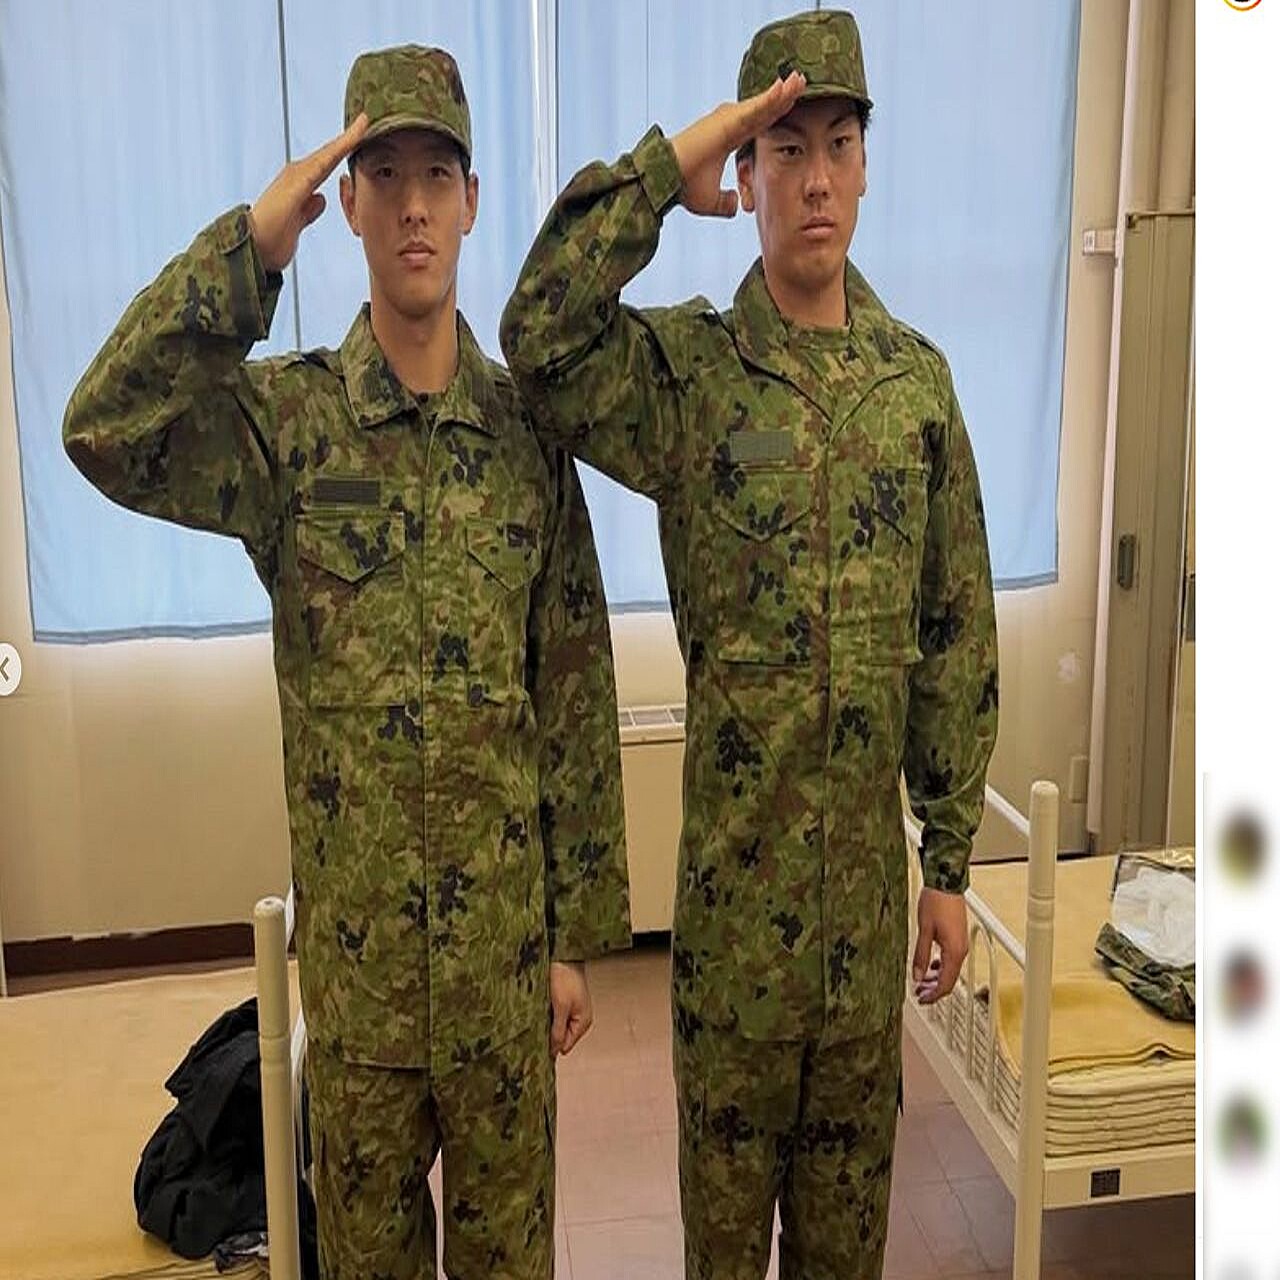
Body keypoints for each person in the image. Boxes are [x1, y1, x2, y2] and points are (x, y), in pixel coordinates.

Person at [64, 43, 630, 1280]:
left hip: (498, 983)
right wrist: (248, 251)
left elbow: (573, 688)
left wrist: (575, 938)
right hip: (361, 992)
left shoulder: (526, 435)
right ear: (352, 206)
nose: (413, 204)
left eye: (437, 175)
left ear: (471, 201)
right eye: (385, 175)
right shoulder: (292, 426)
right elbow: (102, 430)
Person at [500, 10, 998, 1277]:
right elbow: (538, 334)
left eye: (837, 145)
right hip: (731, 953)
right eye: (784, 149)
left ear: (865, 166)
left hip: (860, 952)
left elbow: (952, 630)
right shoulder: (692, 376)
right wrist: (665, 170)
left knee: (845, 1255)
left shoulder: (915, 388)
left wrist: (948, 862)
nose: (815, 179)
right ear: (747, 173)